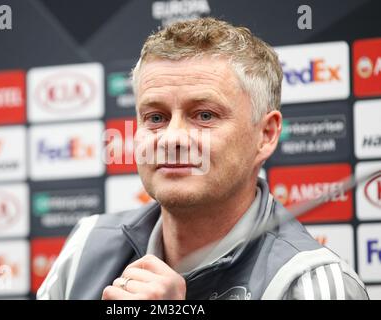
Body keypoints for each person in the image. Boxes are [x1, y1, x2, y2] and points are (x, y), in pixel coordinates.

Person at [37, 17, 368, 300]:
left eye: (205, 115)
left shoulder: (309, 284)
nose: (173, 138)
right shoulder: (86, 246)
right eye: (155, 117)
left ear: (265, 135)